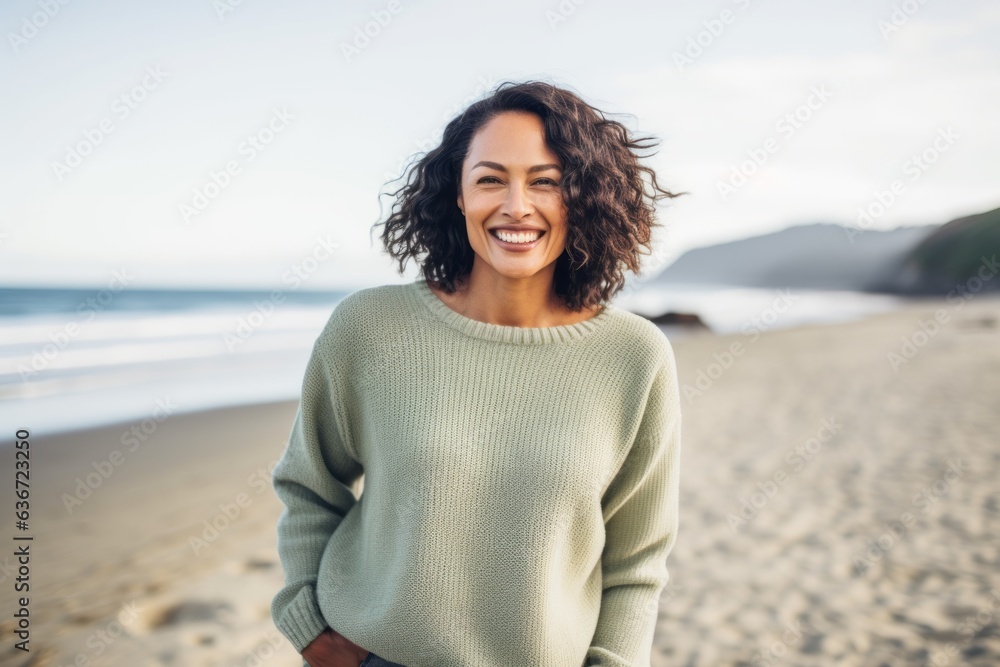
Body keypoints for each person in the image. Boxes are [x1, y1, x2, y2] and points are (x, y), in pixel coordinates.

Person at [270, 79, 687, 667]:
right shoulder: (369, 328)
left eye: (546, 181)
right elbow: (309, 485)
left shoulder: (635, 356)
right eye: (491, 179)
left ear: (583, 197)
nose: (516, 206)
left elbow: (636, 561)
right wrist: (311, 630)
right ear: (459, 195)